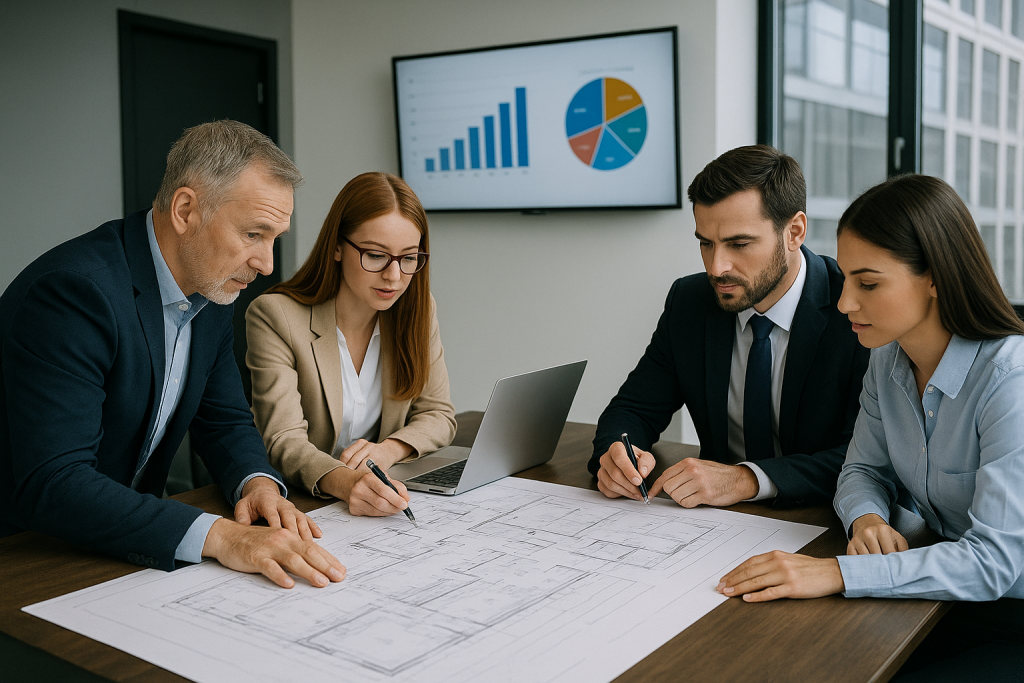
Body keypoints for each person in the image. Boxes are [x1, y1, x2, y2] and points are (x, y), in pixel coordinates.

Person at [0, 120, 345, 590]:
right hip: (28, 553)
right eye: (253, 234)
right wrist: (223, 537)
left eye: (274, 239)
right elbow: (56, 481)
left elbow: (224, 420)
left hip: (122, 547)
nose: (266, 264)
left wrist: (257, 483)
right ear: (186, 210)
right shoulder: (74, 293)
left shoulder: (211, 288)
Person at [716, 174, 1024, 679]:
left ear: (936, 278)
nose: (844, 303)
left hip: (1010, 611)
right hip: (940, 596)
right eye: (846, 279)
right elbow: (861, 470)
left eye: (869, 284)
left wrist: (838, 572)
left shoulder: (1010, 382)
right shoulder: (887, 360)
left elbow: (993, 563)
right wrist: (867, 520)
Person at [590, 145, 869, 509]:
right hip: (712, 522)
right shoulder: (690, 302)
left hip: (821, 517)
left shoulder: (855, 309)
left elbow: (866, 459)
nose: (716, 267)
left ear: (794, 232)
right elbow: (633, 410)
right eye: (706, 243)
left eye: (739, 244)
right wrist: (617, 454)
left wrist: (746, 479)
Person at [246, 172, 455, 517]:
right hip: (307, 504)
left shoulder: (419, 309)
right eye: (375, 255)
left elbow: (438, 415)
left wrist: (389, 450)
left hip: (382, 495)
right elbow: (283, 440)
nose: (394, 276)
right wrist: (347, 482)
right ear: (337, 247)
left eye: (408, 258)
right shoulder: (276, 316)